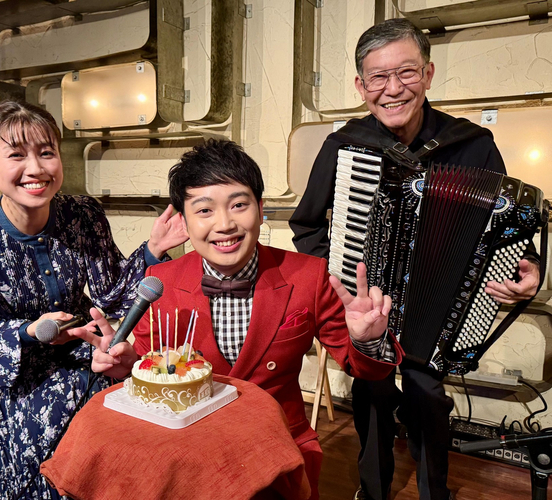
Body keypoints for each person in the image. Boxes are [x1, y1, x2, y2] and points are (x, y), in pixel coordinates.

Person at [289, 18, 541, 500]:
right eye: (378, 77)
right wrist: (341, 277)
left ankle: (434, 491)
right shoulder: (346, 146)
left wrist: (527, 267)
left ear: (427, 73)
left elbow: (502, 225)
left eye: (405, 72)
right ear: (361, 86)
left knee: (428, 395)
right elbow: (307, 225)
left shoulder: (471, 144)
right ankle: (373, 490)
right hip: (367, 307)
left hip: (436, 309)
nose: (392, 89)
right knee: (371, 392)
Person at [73, 139, 404, 499]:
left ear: (260, 210)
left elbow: (366, 369)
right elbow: (154, 369)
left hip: (279, 450)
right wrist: (128, 365)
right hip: (191, 453)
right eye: (204, 210)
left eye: (239, 205)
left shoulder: (308, 275)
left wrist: (367, 339)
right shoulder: (161, 282)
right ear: (183, 221)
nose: (225, 224)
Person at [0, 100, 188, 499]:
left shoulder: (83, 214)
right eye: (16, 155)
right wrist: (30, 331)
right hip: (10, 385)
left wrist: (154, 249)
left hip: (82, 363)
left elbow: (110, 296)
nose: (36, 168)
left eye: (46, 152)